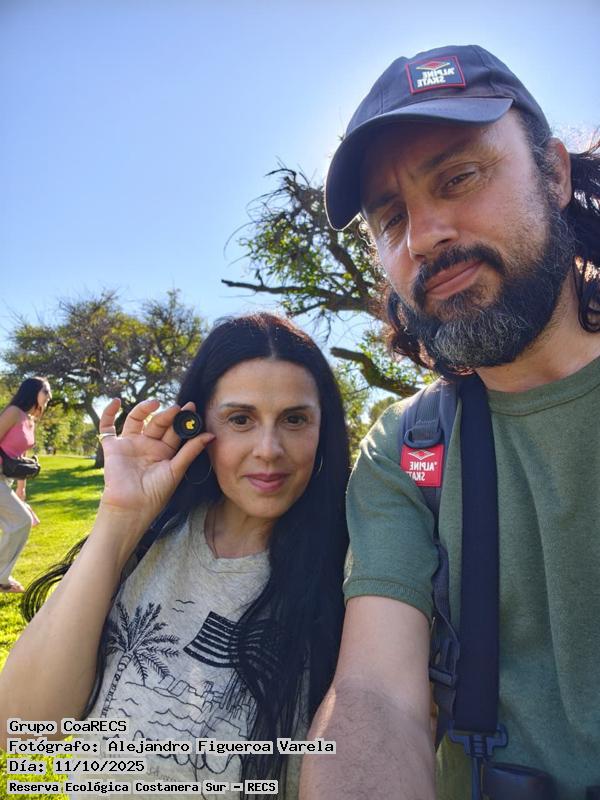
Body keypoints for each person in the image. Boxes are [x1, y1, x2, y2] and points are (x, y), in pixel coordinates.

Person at [300, 45, 600, 800]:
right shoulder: (405, 449)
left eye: (458, 177)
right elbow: (376, 695)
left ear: (556, 174)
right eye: (390, 218)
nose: (423, 236)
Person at [0, 313, 350, 799]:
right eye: (240, 419)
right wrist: (120, 518)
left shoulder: (353, 577)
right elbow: (21, 729)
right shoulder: (148, 540)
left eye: (294, 419)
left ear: (322, 428)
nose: (269, 449)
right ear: (198, 425)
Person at [0, 376, 51, 593]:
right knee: (21, 521)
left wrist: (21, 488)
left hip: (7, 478)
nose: (49, 396)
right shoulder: (13, 413)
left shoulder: (30, 420)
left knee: (20, 521)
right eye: (46, 391)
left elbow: (21, 456)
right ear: (33, 391)